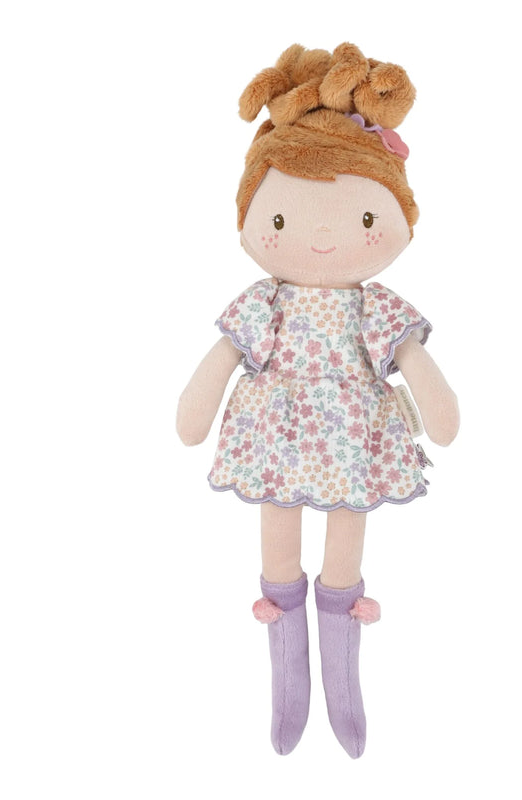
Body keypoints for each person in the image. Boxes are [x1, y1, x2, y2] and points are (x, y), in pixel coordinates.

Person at [176, 43, 459, 758]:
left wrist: (436, 402)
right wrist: (196, 409)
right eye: (280, 221)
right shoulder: (263, 301)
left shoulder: (375, 307)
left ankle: (344, 687)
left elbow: (412, 360)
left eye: (363, 219)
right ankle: (288, 689)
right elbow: (223, 357)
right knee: (278, 550)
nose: (326, 234)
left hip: (352, 443)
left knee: (343, 556)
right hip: (275, 440)